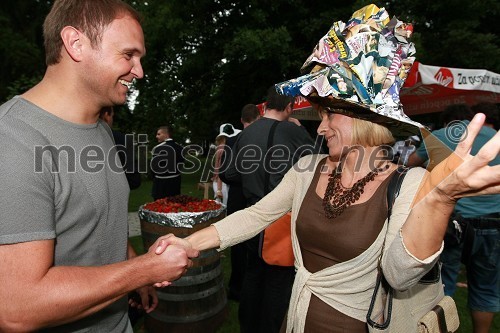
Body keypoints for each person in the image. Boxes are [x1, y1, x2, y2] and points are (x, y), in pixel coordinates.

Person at [153, 6, 500, 333]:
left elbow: (400, 274)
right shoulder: (308, 168)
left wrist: (441, 198)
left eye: (329, 115)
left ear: (364, 118)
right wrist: (190, 243)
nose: (319, 129)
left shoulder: (408, 182)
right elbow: (256, 214)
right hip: (297, 319)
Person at [0, 1, 197, 332]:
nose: (139, 71)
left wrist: (133, 265)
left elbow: (102, 222)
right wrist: (143, 270)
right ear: (76, 43)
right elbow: (16, 308)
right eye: (128, 55)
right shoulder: (14, 141)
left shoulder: (101, 131)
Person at [222, 86, 317, 333]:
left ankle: (248, 326)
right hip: (281, 217)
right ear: (289, 107)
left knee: (253, 273)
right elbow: (317, 163)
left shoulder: (246, 133)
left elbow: (228, 173)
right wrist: (300, 130)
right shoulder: (292, 131)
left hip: (251, 213)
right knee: (278, 280)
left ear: (265, 106)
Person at [408, 103, 500, 333]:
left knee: (442, 285)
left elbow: (409, 164)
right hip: (492, 223)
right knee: (485, 288)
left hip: (450, 223)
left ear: (448, 121)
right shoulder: (493, 136)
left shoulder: (441, 135)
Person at [220, 105, 261, 301]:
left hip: (239, 197)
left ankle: (237, 288)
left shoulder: (233, 140)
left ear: (242, 120)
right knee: (255, 243)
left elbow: (224, 174)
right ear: (258, 117)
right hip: (258, 197)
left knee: (238, 244)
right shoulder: (264, 140)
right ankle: (248, 287)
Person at [100, 106, 141, 190]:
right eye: (112, 116)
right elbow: (134, 180)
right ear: (107, 115)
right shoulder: (122, 140)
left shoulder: (72, 139)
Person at [151, 125, 185, 200]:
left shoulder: (157, 148)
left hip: (161, 184)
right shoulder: (180, 148)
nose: (156, 136)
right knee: (174, 207)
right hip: (175, 183)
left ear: (166, 135)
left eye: (159, 134)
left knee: (158, 207)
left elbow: (153, 168)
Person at [212, 123, 241, 205]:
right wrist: (219, 189)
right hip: (223, 183)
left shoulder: (222, 147)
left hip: (224, 181)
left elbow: (217, 168)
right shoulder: (223, 148)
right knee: (224, 207)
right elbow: (220, 169)